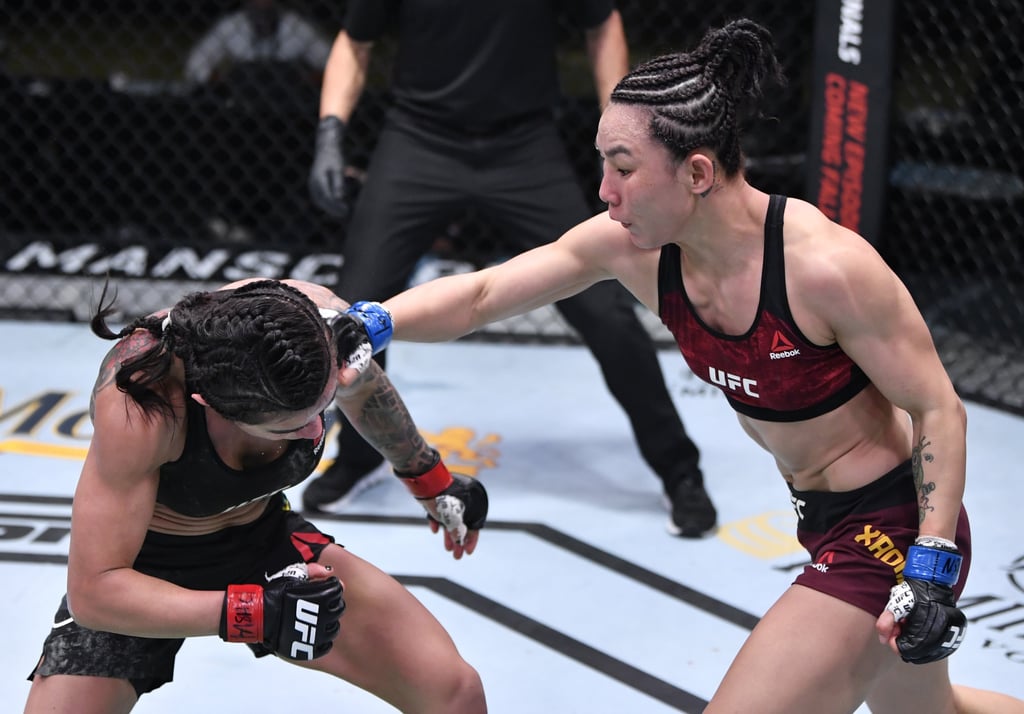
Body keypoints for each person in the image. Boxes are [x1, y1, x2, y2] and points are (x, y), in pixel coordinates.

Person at [346, 19, 1024, 714]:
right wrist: (374, 319)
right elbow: (485, 294)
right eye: (603, 164)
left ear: (697, 171)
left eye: (624, 167)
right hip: (817, 514)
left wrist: (933, 566)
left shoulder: (825, 268)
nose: (605, 191)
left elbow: (936, 406)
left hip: (892, 524)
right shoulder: (634, 249)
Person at [304, 0, 717, 538]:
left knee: (605, 312)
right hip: (420, 139)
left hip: (523, 143)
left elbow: (602, 23)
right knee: (356, 310)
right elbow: (354, 42)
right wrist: (329, 131)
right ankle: (360, 456)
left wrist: (622, 130)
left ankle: (679, 470)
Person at [23, 279, 488, 713]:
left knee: (453, 692)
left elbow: (361, 384)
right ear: (214, 405)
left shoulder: (310, 328)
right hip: (141, 568)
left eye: (320, 410)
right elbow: (95, 592)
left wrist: (428, 477)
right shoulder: (143, 403)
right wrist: (255, 611)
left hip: (261, 540)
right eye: (288, 425)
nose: (312, 431)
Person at [184, 0, 331, 85]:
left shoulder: (295, 26)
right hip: (241, 104)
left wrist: (307, 82)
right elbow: (195, 65)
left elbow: (331, 65)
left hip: (289, 105)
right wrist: (224, 83)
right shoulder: (233, 25)